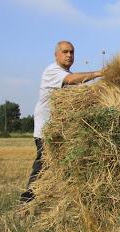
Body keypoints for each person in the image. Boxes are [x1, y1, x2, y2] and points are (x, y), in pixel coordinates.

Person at [20, 41, 102, 202]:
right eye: (65, 52)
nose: (69, 55)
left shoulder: (65, 73)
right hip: (45, 129)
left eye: (71, 52)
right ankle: (26, 203)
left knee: (60, 166)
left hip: (58, 130)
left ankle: (52, 200)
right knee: (43, 166)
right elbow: (72, 80)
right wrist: (98, 74)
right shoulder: (53, 71)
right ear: (56, 54)